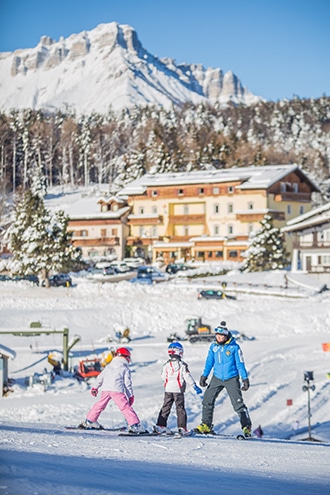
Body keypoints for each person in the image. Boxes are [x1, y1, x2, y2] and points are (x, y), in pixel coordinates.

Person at [195, 321, 252, 437]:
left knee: (238, 404)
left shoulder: (234, 347)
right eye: (217, 335)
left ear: (226, 336)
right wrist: (204, 375)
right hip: (217, 377)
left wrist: (245, 379)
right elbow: (209, 362)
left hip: (231, 378)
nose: (219, 337)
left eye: (222, 336)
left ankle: (246, 427)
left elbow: (240, 364)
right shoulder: (213, 346)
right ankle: (206, 424)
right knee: (207, 399)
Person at [79, 347, 145, 433]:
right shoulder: (124, 368)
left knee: (99, 405)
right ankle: (134, 425)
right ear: (126, 357)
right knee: (125, 408)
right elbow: (127, 384)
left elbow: (100, 377)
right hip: (117, 390)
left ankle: (89, 421)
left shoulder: (108, 367)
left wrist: (95, 387)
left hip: (106, 390)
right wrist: (130, 396)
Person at [154, 341, 202, 436]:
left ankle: (161, 425)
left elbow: (163, 376)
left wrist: (168, 382)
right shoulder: (182, 365)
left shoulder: (166, 365)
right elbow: (187, 377)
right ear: (179, 352)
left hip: (168, 389)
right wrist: (194, 386)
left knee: (165, 407)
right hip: (178, 390)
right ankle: (182, 428)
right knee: (180, 408)